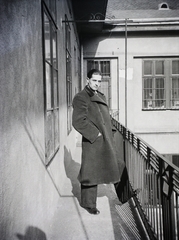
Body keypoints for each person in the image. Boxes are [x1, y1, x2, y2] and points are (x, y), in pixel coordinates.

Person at [72, 69, 124, 215]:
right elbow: (77, 121)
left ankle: (125, 195)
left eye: (99, 81)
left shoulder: (100, 95)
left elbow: (103, 116)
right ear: (87, 80)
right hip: (93, 141)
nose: (97, 84)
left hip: (106, 139)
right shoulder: (81, 97)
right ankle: (88, 204)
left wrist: (110, 129)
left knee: (118, 164)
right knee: (91, 172)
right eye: (94, 80)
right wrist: (96, 134)